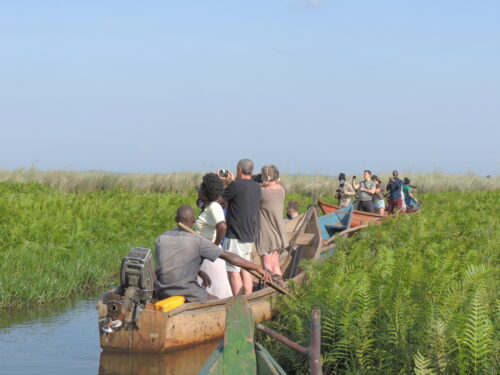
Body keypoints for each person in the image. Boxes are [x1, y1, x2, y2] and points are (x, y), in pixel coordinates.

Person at [154, 205, 271, 303]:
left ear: (176, 219)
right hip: (187, 292)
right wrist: (257, 267)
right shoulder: (198, 241)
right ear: (194, 220)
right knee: (216, 301)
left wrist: (200, 272)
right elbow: (229, 257)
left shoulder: (161, 239)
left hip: (163, 290)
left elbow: (173, 261)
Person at [218, 159, 262, 296]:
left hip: (235, 235)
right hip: (249, 235)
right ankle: (248, 296)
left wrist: (223, 183)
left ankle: (238, 302)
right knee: (245, 268)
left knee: (233, 272)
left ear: (239, 170)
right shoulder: (257, 186)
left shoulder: (235, 185)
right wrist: (231, 183)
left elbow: (220, 199)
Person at [194, 173, 233, 299]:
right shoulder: (207, 205)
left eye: (201, 188)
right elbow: (198, 202)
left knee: (217, 291)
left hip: (211, 257)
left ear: (206, 191)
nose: (198, 190)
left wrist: (214, 247)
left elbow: (222, 227)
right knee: (210, 289)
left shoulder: (214, 207)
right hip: (205, 255)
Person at [255, 165, 289, 280]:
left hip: (265, 233)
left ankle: (268, 293)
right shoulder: (282, 190)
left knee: (267, 267)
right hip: (279, 233)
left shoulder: (262, 191)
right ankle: (279, 290)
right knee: (275, 264)